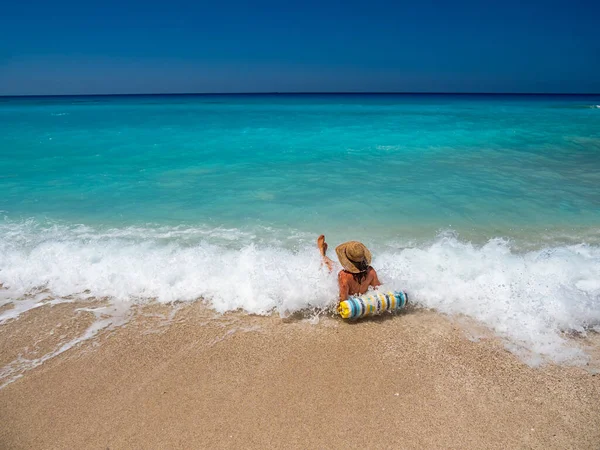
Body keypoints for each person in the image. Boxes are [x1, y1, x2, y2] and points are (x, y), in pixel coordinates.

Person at [317, 235, 381, 305]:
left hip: (346, 280)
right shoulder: (371, 271)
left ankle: (322, 254)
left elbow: (343, 300)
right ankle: (322, 254)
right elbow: (379, 292)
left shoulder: (343, 276)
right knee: (334, 266)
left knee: (332, 268)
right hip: (358, 296)